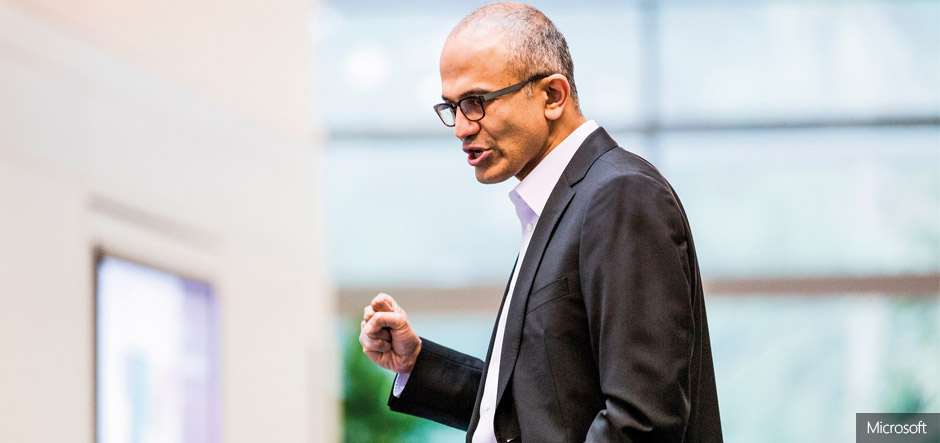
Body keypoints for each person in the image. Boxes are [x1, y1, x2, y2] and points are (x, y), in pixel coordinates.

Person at [359, 3, 722, 442]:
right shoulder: (557, 203)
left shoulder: (620, 195)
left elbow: (642, 421)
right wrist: (416, 362)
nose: (461, 128)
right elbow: (533, 411)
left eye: (476, 103)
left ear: (552, 96)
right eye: (452, 107)